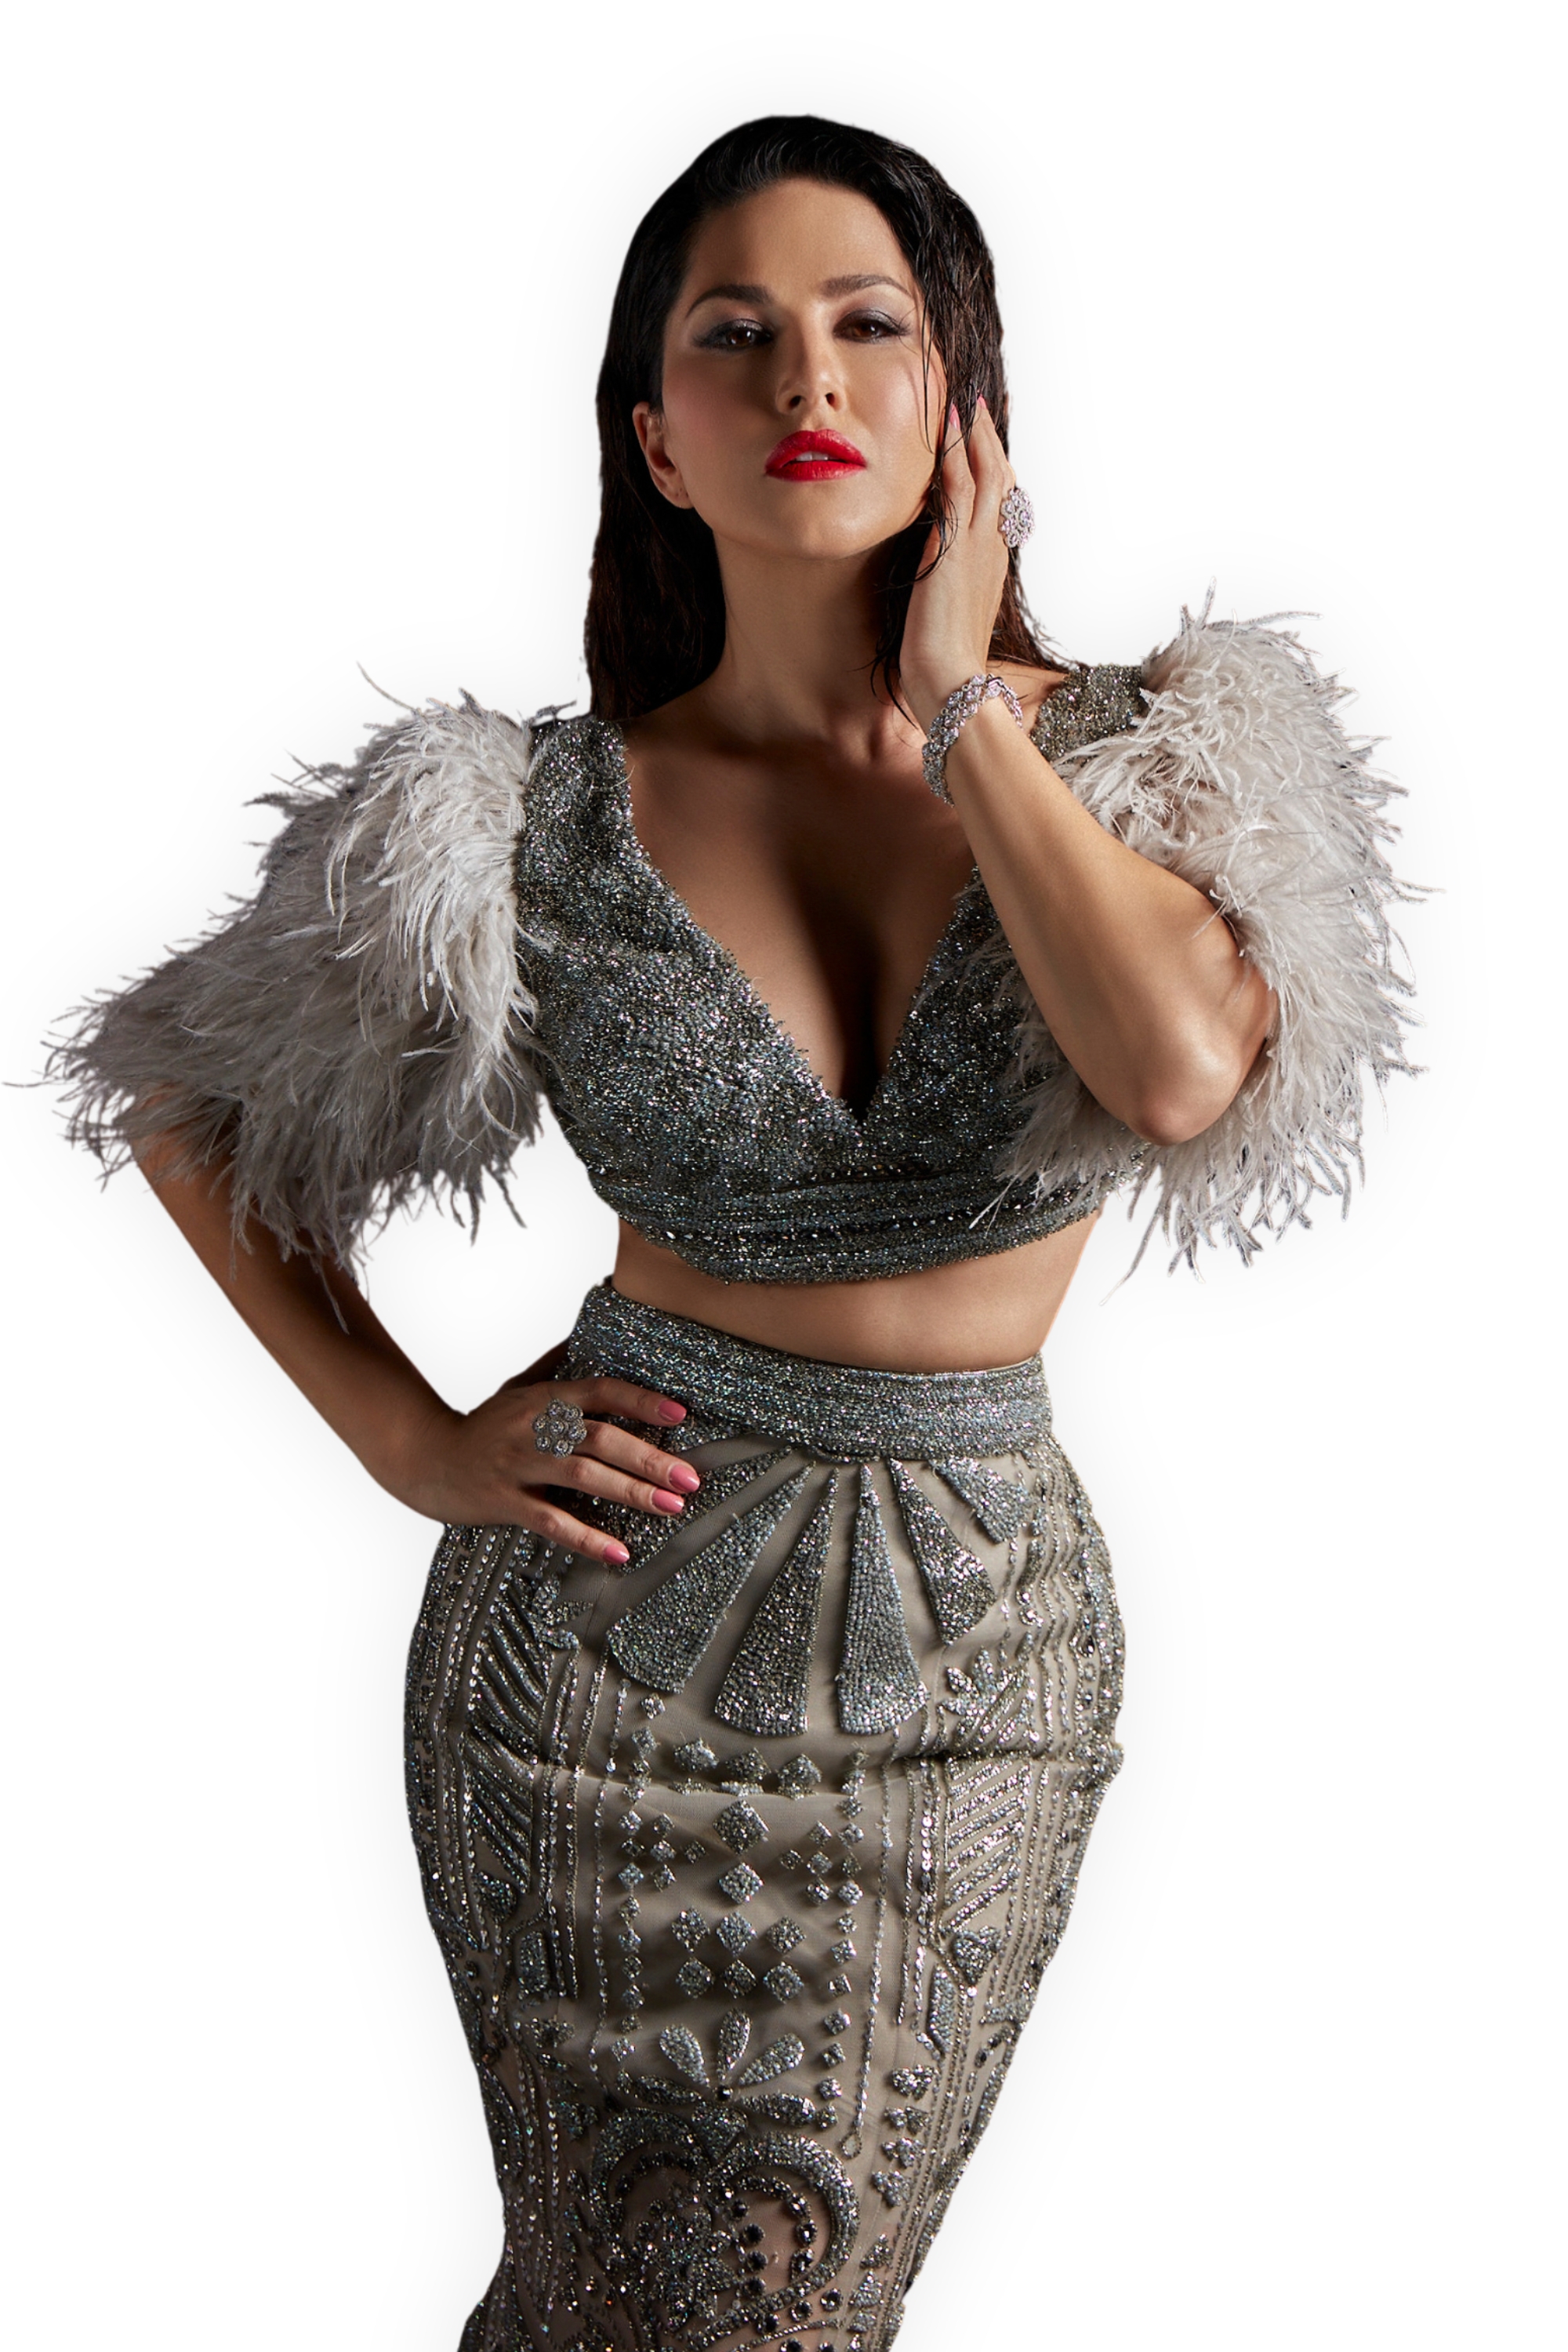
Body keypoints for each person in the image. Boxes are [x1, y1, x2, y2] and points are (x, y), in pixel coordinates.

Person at [50, 114, 1412, 2352]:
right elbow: (187, 1102)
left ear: (965, 405)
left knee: (801, 2309)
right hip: (590, 1650)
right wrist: (407, 1441)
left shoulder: (1168, 761)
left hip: (974, 1663)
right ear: (656, 440)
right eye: (736, 334)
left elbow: (1181, 1072)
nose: (809, 378)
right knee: (598, 2298)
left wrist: (966, 711)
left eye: (871, 325)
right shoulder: (517, 819)